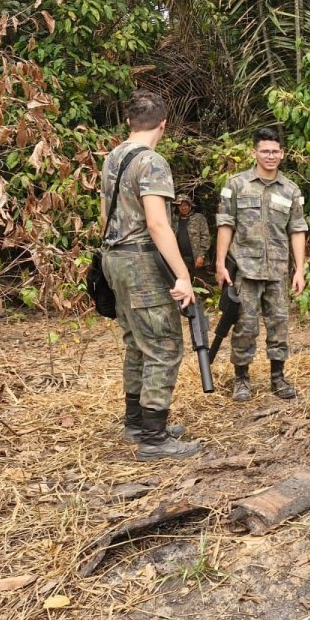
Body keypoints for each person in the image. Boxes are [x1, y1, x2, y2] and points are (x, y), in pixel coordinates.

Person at [99, 90, 203, 460]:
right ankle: (154, 439)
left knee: (136, 342)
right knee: (163, 345)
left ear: (129, 122)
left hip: (113, 258)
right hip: (141, 262)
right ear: (163, 124)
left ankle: (136, 422)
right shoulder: (152, 162)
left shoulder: (113, 157)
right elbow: (158, 224)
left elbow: (105, 215)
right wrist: (182, 275)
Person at [215, 128, 308, 402]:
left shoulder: (291, 190)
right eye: (265, 151)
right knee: (245, 326)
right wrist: (220, 263)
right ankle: (241, 378)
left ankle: (278, 377)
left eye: (275, 151)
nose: (271, 156)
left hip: (278, 272)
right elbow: (225, 224)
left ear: (282, 154)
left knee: (279, 325)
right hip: (245, 270)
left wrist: (300, 269)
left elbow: (297, 229)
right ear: (254, 152)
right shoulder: (236, 185)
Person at [171, 194, 211, 285]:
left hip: (197, 259)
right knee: (185, 284)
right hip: (182, 260)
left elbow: (206, 237)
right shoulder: (175, 220)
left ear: (190, 206)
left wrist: (201, 256)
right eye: (180, 205)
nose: (183, 207)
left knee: (201, 285)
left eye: (185, 205)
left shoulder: (199, 218)